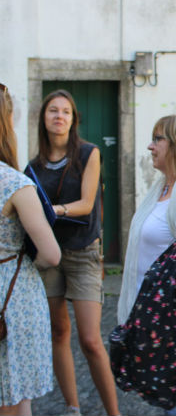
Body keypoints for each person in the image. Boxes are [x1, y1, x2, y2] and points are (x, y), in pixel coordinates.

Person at [27, 90, 119, 416]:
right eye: (53, 111)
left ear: (73, 119)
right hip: (48, 255)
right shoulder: (34, 167)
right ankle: (72, 408)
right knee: (58, 332)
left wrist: (51, 211)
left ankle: (114, 412)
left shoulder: (88, 153)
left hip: (82, 253)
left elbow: (85, 204)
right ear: (44, 118)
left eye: (66, 112)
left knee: (91, 340)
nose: (59, 117)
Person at [117, 115, 176, 416]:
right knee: (171, 400)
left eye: (158, 139)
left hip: (175, 321)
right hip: (153, 319)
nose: (150, 146)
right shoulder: (160, 191)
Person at [0, 85, 61, 416]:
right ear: (7, 123)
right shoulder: (14, 184)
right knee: (15, 396)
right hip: (13, 298)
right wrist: (30, 262)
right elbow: (51, 255)